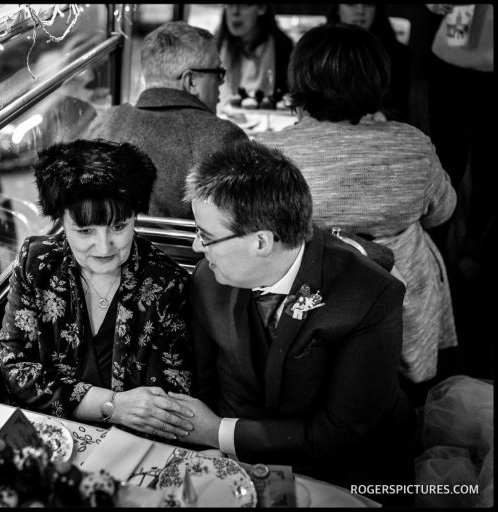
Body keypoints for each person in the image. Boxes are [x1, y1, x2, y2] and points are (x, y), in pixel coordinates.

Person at [168, 139, 417, 504]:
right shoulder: (210, 279)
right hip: (248, 456)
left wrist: (219, 434)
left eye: (205, 235)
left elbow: (342, 435)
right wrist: (222, 459)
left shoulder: (369, 296)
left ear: (262, 242)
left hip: (346, 470)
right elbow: (207, 385)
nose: (195, 248)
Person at [256, 23, 457, 391]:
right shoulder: (413, 144)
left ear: (299, 78)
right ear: (376, 80)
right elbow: (442, 212)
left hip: (303, 311)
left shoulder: (269, 153)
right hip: (402, 307)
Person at [0, 139, 195, 441]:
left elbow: (166, 402)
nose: (104, 247)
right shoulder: (37, 263)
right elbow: (15, 363)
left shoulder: (167, 284)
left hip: (128, 446)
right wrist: (111, 405)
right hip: (46, 435)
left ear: (134, 219)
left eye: (118, 227)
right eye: (86, 230)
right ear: (60, 221)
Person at [85, 21, 248, 219]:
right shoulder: (224, 138)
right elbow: (242, 225)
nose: (222, 82)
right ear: (191, 81)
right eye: (218, 73)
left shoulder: (105, 122)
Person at [326, 4, 411, 122]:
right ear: (337, 9)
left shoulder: (398, 55)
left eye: (368, 4)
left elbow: (406, 104)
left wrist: (385, 115)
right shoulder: (318, 52)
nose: (360, 11)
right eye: (352, 4)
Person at [214, 4, 294, 108]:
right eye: (229, 4)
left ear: (262, 8)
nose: (234, 12)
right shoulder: (215, 47)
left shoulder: (283, 49)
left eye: (243, 5)